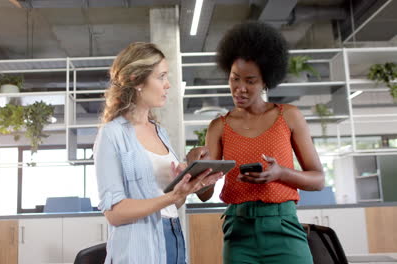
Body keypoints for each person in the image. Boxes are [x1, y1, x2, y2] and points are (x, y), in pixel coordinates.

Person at [199, 22, 325, 263]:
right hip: (239, 232)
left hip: (284, 226)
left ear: (265, 81)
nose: (240, 88)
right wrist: (198, 169)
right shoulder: (218, 127)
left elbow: (318, 180)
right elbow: (205, 194)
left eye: (251, 81)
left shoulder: (288, 116)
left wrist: (280, 174)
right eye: (235, 79)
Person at [93, 42, 224, 264]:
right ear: (136, 80)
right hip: (137, 249)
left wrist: (188, 188)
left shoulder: (160, 132)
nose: (168, 85)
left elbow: (170, 205)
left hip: (173, 236)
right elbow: (114, 213)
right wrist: (171, 196)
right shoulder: (112, 134)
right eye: (161, 76)